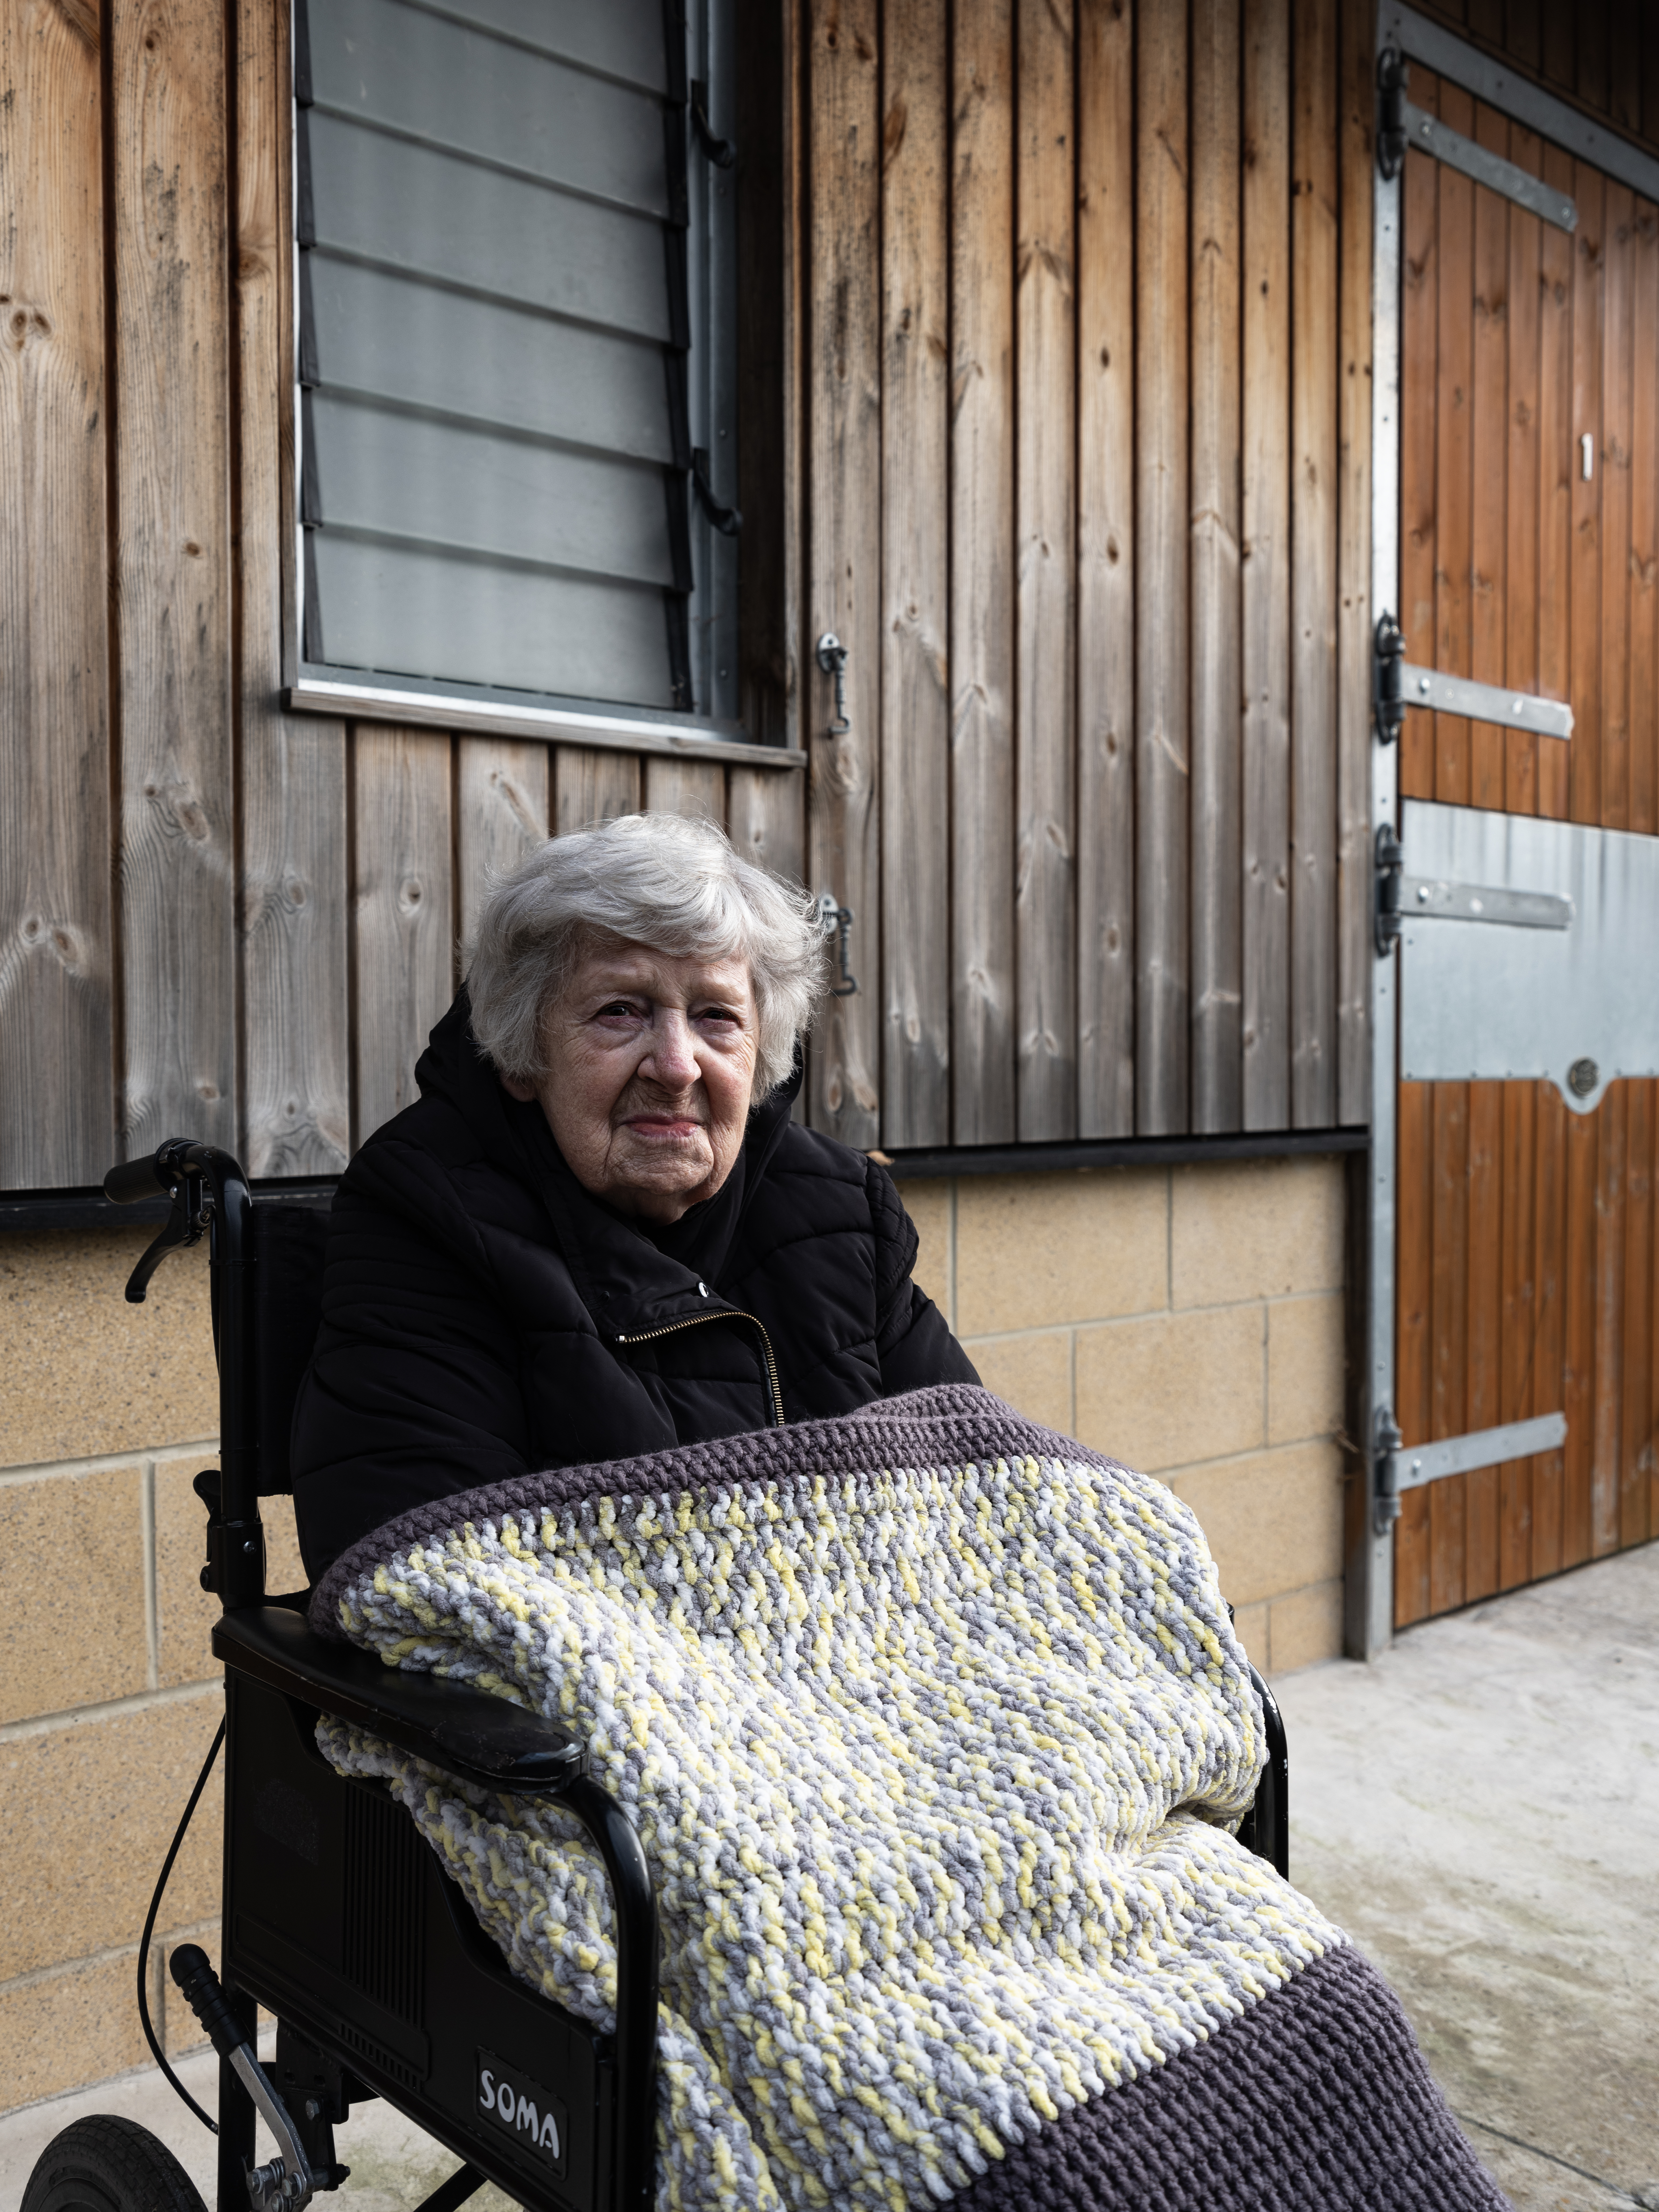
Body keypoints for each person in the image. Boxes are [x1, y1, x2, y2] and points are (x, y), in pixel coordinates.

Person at [290, 812, 978, 1579]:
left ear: (761, 1055)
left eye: (717, 1016)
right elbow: (430, 1575)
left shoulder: (842, 1208)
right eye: (622, 1011)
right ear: (525, 1051)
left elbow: (986, 1500)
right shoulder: (427, 1214)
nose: (677, 1065)